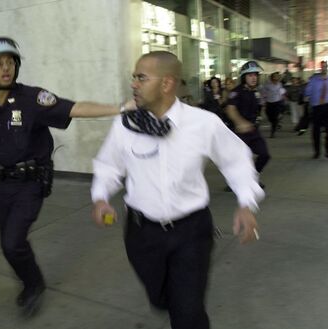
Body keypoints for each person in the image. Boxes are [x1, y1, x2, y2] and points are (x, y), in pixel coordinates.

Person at [0, 36, 134, 316]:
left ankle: (34, 285)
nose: (6, 68)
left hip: (31, 182)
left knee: (12, 242)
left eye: (10, 63)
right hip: (3, 184)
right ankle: (31, 280)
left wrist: (118, 108)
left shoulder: (32, 98)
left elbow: (74, 108)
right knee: (9, 247)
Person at [91, 51, 264, 329]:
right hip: (141, 233)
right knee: (161, 298)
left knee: (188, 313)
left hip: (191, 233)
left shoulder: (203, 123)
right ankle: (167, 298)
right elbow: (108, 166)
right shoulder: (126, 124)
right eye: (133, 77)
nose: (133, 84)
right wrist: (100, 197)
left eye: (141, 77)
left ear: (167, 83)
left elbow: (237, 162)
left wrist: (246, 203)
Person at [225, 61, 271, 187]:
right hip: (240, 133)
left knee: (264, 155)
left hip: (254, 131)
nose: (253, 78)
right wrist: (240, 122)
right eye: (250, 75)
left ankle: (252, 177)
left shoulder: (256, 92)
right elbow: (230, 109)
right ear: (244, 77)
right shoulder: (236, 92)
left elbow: (259, 107)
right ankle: (234, 182)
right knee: (241, 160)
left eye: (255, 75)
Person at [304, 61, 328, 158]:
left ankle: (327, 147)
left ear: (327, 67)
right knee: (315, 131)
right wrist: (307, 98)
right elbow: (307, 93)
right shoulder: (313, 80)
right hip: (317, 108)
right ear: (320, 68)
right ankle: (317, 151)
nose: (324, 68)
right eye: (322, 66)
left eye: (325, 66)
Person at [261, 72, 287, 138]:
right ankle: (275, 122)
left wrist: (283, 99)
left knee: (275, 118)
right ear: (271, 77)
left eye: (277, 76)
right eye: (275, 76)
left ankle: (273, 132)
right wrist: (263, 103)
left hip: (277, 103)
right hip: (269, 103)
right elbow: (263, 94)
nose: (276, 78)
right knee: (270, 117)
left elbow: (282, 93)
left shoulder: (280, 84)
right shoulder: (267, 85)